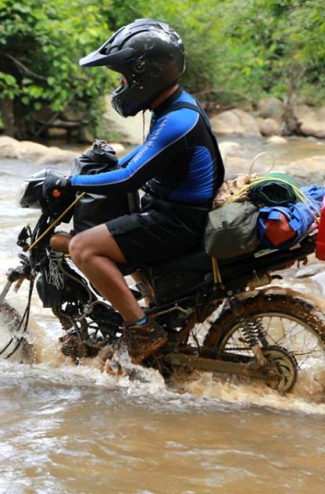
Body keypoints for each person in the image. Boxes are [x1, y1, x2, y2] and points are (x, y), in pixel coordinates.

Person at [44, 19, 224, 364]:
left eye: (124, 77)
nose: (121, 85)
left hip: (176, 222)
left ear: (146, 74)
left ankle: (141, 328)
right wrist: (95, 171)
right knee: (103, 228)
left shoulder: (177, 120)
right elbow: (141, 159)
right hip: (171, 213)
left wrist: (71, 184)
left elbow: (129, 177)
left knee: (82, 246)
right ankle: (151, 312)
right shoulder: (173, 108)